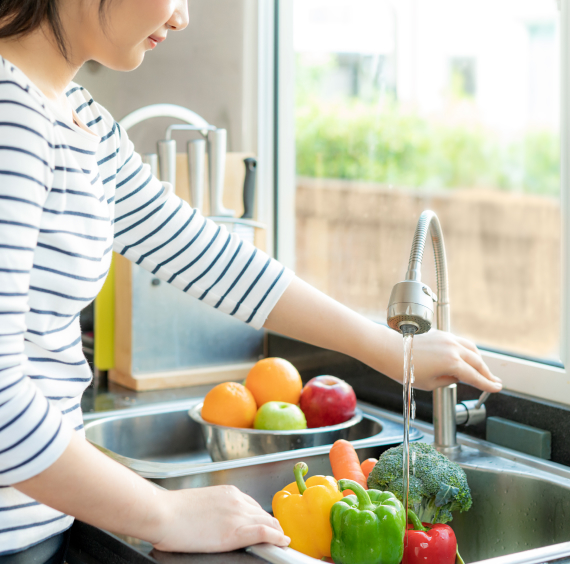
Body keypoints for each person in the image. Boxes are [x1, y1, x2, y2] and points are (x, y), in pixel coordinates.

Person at [0, 0, 502, 561]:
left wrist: (388, 347)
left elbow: (206, 255)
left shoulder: (76, 115)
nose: (182, 17)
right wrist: (163, 513)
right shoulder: (10, 119)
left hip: (35, 528)